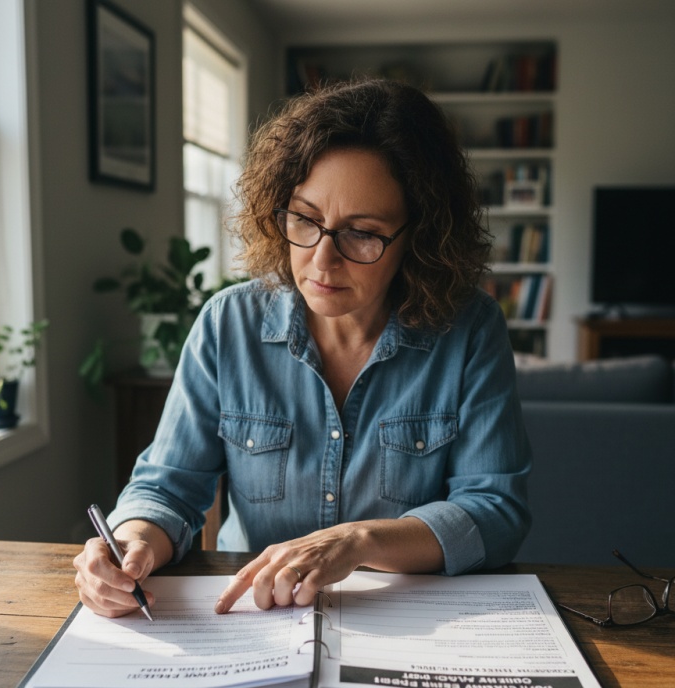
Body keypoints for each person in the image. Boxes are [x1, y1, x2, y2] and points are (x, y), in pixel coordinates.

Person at [74, 78, 532, 618]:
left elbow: (496, 512)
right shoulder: (228, 324)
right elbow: (168, 488)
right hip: (249, 622)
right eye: (305, 220)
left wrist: (359, 541)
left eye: (362, 233)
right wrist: (131, 543)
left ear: (420, 237)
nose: (321, 260)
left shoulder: (470, 329)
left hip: (407, 622)